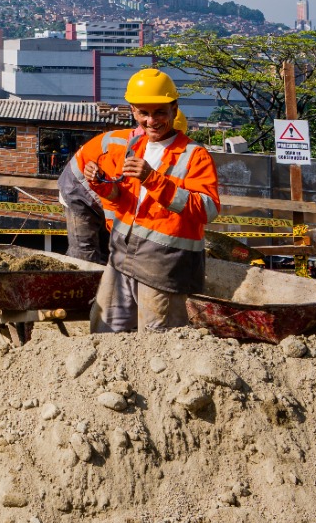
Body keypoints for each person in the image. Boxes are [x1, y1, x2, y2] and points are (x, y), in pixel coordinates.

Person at [75, 69, 220, 333]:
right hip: (120, 260)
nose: (151, 120)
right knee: (104, 333)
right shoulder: (135, 146)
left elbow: (208, 210)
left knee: (157, 344)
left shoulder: (195, 156)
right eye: (143, 113)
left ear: (174, 109)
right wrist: (99, 182)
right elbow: (122, 201)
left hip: (162, 268)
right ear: (133, 111)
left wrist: (153, 179)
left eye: (160, 112)